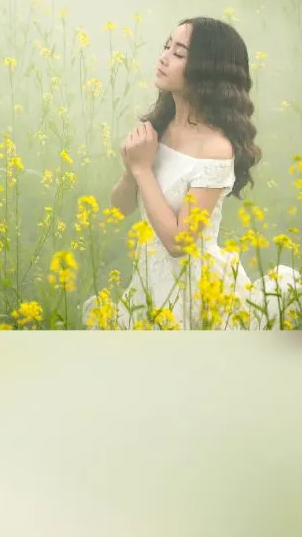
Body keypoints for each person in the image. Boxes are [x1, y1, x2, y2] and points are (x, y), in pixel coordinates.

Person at [82, 17, 301, 330]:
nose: (164, 56)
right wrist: (132, 167)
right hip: (148, 283)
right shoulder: (160, 127)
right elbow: (121, 208)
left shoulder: (216, 148)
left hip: (193, 291)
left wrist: (143, 168)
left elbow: (179, 242)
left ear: (207, 69)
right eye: (166, 46)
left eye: (179, 53)